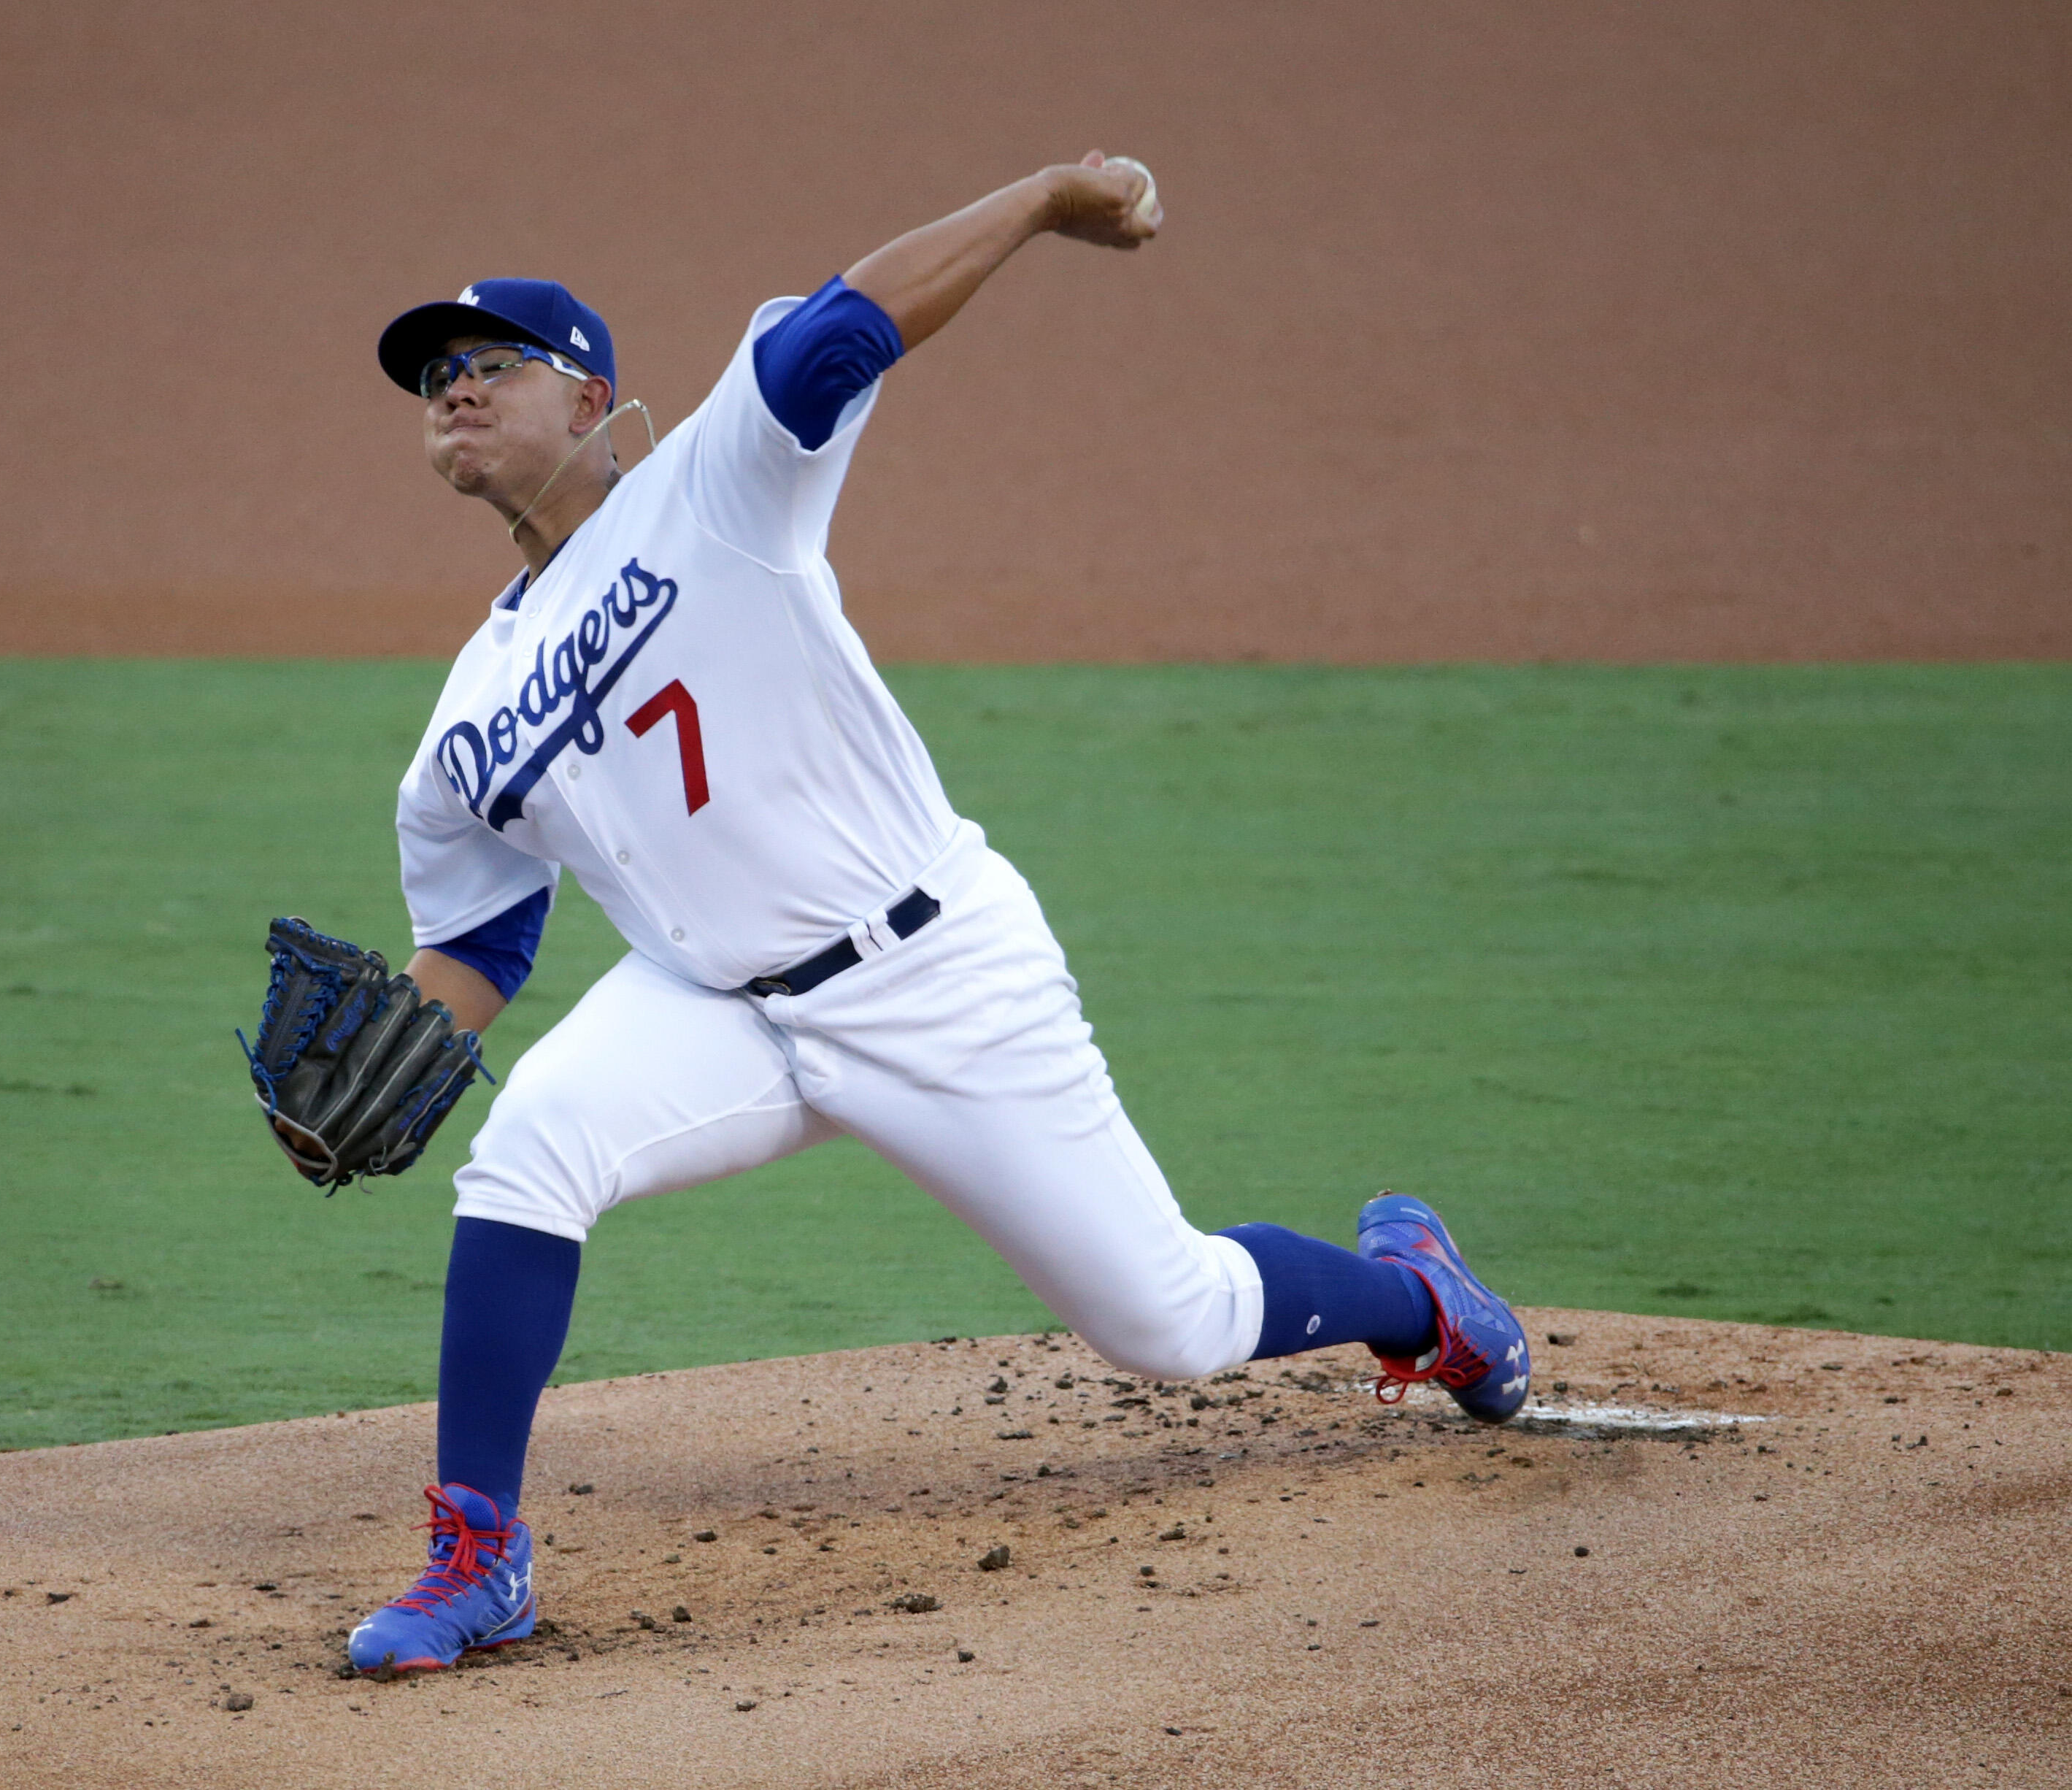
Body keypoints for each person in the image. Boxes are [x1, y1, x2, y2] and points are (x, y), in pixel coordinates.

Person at [343, 153, 1528, 1675]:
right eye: (432, 376)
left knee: (1165, 1321)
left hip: (938, 968)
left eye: (488, 362)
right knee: (526, 1149)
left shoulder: (714, 483)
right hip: (717, 1005)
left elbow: (844, 325)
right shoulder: (467, 712)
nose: (451, 387)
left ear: (589, 400)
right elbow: (487, 937)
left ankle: (1414, 1289)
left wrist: (1040, 199)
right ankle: (479, 1556)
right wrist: (376, 1080)